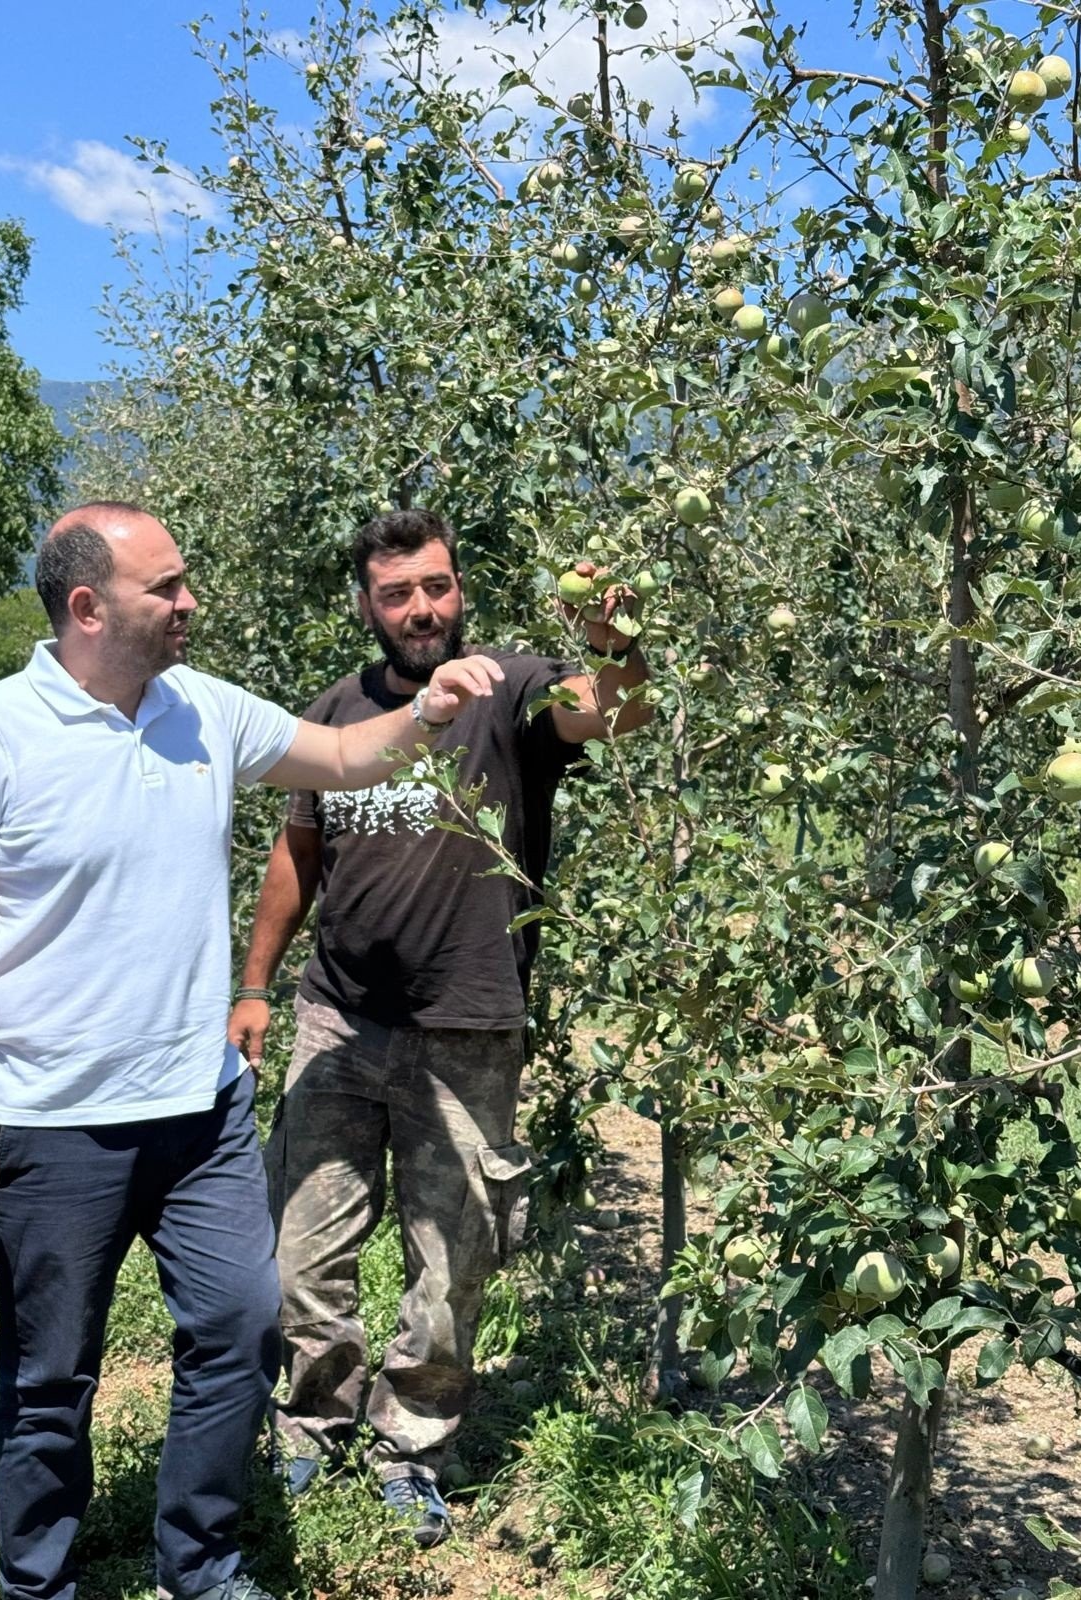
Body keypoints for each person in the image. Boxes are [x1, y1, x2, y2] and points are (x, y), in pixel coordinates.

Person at [0, 501, 502, 1600]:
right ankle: (36, 1580)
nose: (191, 604)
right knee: (49, 1374)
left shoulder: (203, 709)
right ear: (88, 606)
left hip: (201, 1110)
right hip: (50, 1116)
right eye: (167, 588)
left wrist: (427, 708)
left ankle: (204, 1561)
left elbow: (336, 753)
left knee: (240, 1326)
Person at [227, 508, 652, 1546]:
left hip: (468, 1026)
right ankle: (312, 1423)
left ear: (461, 588)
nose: (421, 608)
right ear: (366, 603)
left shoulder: (510, 686)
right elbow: (298, 858)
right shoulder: (335, 709)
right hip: (337, 1018)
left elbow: (617, 713)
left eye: (437, 586)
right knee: (301, 1251)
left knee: (450, 1267)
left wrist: (613, 636)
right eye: (397, 592)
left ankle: (410, 1448)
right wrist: (254, 983)